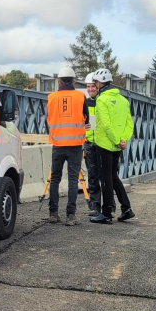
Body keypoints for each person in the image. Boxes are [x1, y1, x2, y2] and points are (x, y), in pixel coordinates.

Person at [89, 69, 135, 224]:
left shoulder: (102, 100)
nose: (94, 86)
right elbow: (130, 124)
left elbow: (106, 125)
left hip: (105, 144)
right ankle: (126, 208)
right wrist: (123, 140)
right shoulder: (123, 100)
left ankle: (107, 213)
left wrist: (116, 140)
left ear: (100, 83)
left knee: (105, 179)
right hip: (117, 146)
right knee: (113, 177)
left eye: (95, 82)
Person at [45, 65, 88, 226]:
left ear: (59, 81)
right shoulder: (80, 96)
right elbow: (86, 118)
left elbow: (47, 120)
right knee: (72, 180)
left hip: (58, 145)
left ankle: (53, 214)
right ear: (74, 82)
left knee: (55, 179)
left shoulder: (51, 97)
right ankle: (71, 215)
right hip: (76, 145)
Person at [83, 72, 102, 218]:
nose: (90, 89)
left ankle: (110, 206)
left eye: (92, 86)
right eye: (88, 87)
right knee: (93, 177)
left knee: (108, 177)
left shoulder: (103, 102)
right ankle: (95, 207)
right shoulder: (86, 103)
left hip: (103, 144)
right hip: (89, 144)